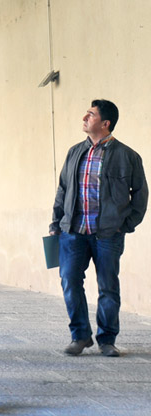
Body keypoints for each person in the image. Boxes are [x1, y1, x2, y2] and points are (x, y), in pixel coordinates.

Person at [48, 99, 146, 357]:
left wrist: (125, 225)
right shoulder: (74, 152)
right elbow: (63, 190)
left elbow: (141, 195)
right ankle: (80, 336)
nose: (84, 117)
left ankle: (107, 339)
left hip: (108, 234)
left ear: (105, 123)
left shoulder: (128, 156)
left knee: (108, 287)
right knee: (69, 280)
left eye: (90, 115)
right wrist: (56, 223)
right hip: (74, 232)